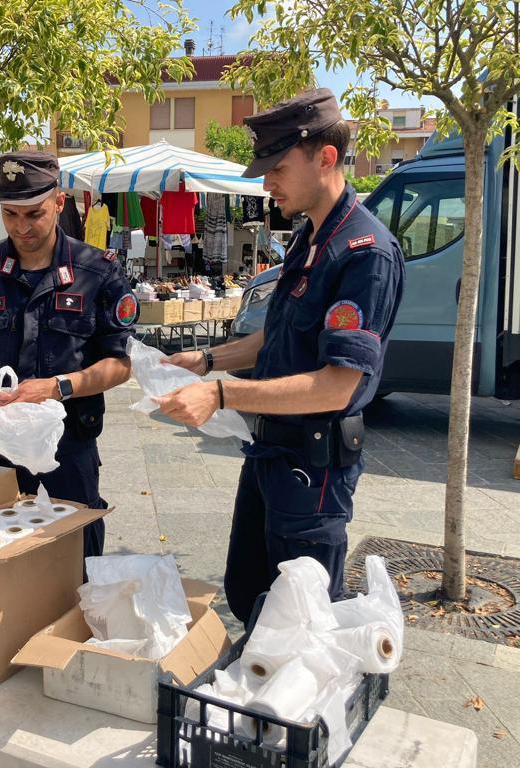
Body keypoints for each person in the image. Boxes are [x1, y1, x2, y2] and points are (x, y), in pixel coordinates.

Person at [157, 89, 405, 622]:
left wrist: (220, 394)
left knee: (299, 624)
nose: (267, 183)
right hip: (270, 453)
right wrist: (207, 361)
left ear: (326, 157)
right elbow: (276, 335)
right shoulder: (309, 238)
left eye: (278, 168)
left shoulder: (364, 254)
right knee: (249, 592)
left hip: (313, 470)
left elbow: (336, 386)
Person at [0, 151, 139, 558]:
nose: (22, 227)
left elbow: (121, 363)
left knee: (77, 554)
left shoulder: (97, 272)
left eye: (34, 213)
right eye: (10, 214)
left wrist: (57, 387)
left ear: (59, 202)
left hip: (69, 445)